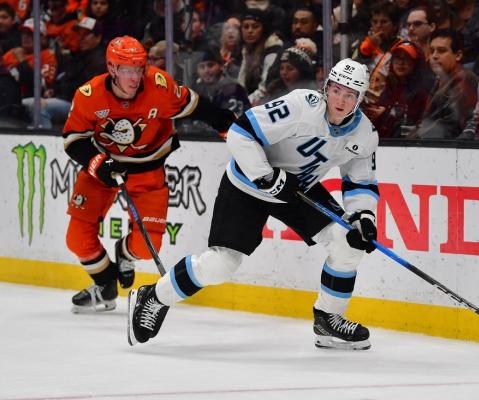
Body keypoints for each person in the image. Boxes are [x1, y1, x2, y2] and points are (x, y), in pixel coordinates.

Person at [127, 58, 380, 351]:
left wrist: (363, 215)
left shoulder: (365, 134)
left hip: (297, 190)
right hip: (247, 184)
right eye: (336, 90)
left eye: (350, 95)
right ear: (327, 88)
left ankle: (328, 319)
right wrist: (265, 176)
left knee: (349, 243)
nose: (340, 100)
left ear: (360, 99)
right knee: (222, 265)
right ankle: (154, 296)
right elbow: (241, 132)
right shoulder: (301, 106)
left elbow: (361, 182)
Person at [63, 36, 235, 313]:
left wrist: (227, 125)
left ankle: (124, 254)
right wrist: (99, 164)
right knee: (76, 238)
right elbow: (73, 139)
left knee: (145, 247)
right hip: (104, 170)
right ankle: (105, 284)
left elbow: (194, 106)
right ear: (112, 68)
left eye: (139, 68)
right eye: (127, 70)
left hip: (148, 171)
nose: (135, 77)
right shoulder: (89, 94)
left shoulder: (159, 85)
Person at [414, 29, 478, 139]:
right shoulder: (441, 79)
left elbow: (453, 124)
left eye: (441, 51)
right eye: (432, 51)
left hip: (448, 146)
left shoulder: (464, 78)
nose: (434, 56)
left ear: (458, 55)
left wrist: (416, 138)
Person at [362, 40, 434, 138]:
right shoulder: (389, 88)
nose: (401, 62)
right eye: (397, 57)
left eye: (406, 58)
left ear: (416, 62)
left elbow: (417, 127)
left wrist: (385, 115)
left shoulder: (423, 93)